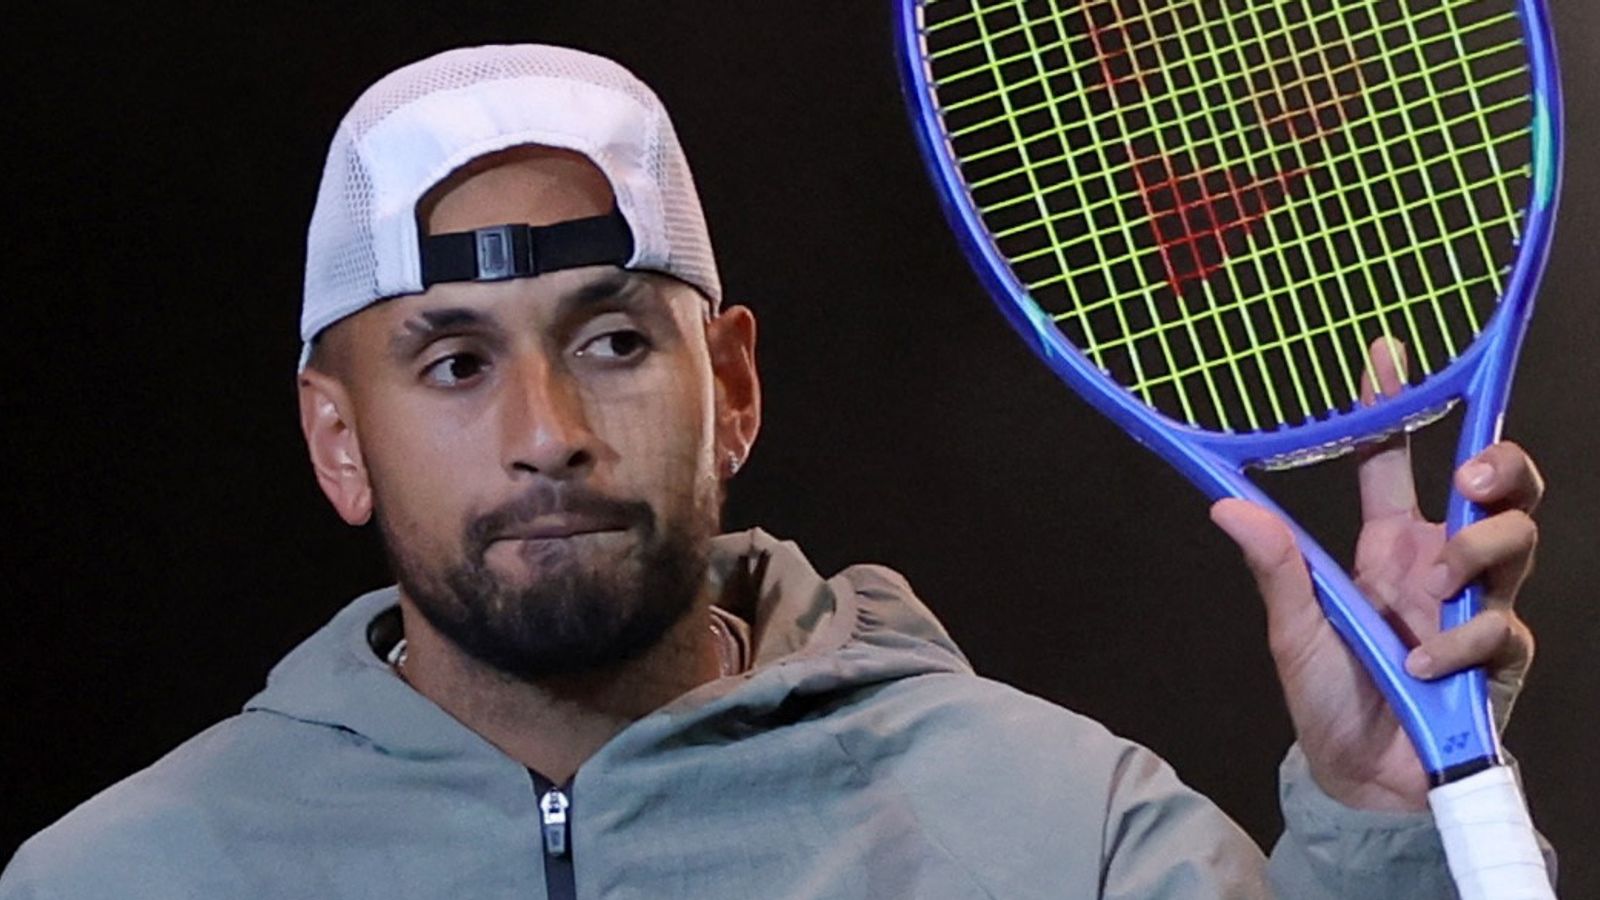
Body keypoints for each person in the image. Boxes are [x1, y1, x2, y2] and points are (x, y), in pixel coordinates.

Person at [1, 44, 1552, 899]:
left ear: (729, 387)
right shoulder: (113, 884)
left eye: (612, 340)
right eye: (457, 363)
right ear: (339, 439)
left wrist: (1390, 819)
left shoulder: (1060, 835)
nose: (547, 429)